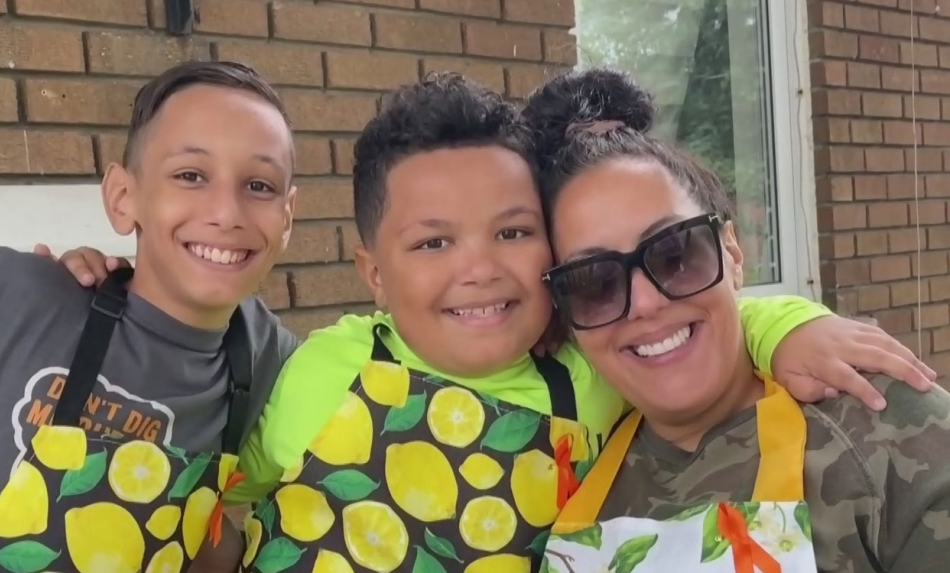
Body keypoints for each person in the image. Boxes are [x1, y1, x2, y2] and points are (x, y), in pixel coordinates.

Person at [48, 73, 933, 572]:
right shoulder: (315, 368)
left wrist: (792, 327)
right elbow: (224, 510)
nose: (478, 267)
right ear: (373, 274)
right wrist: (102, 285)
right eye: (433, 242)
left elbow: (687, 313)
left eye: (512, 233)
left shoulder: (587, 376)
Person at [528, 68, 950, 573]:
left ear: (731, 251)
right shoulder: (563, 472)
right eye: (593, 282)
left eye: (674, 254)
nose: (645, 303)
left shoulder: (885, 428)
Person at [0, 61, 299, 572]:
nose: (227, 212)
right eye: (190, 175)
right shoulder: (16, 299)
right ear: (124, 199)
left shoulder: (276, 363)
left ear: (287, 219)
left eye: (259, 185)